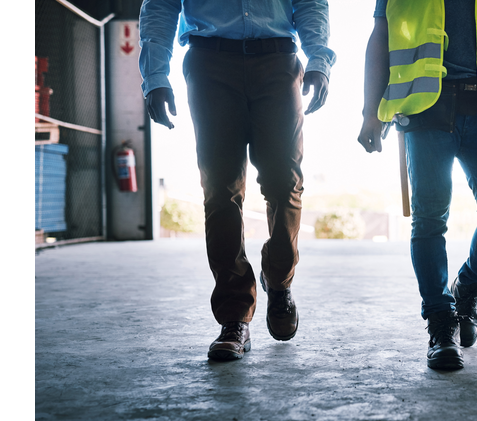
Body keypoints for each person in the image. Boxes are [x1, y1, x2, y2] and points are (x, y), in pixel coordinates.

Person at [358, 0, 477, 370]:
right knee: (429, 218)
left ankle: (467, 286)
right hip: (425, 105)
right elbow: (381, 32)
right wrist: (371, 111)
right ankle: (440, 323)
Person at [139, 0, 336, 361]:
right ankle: (234, 318)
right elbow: (160, 6)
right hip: (210, 61)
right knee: (220, 190)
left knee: (284, 181)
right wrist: (154, 76)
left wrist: (320, 61)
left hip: (277, 60)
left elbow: (310, 3)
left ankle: (279, 279)